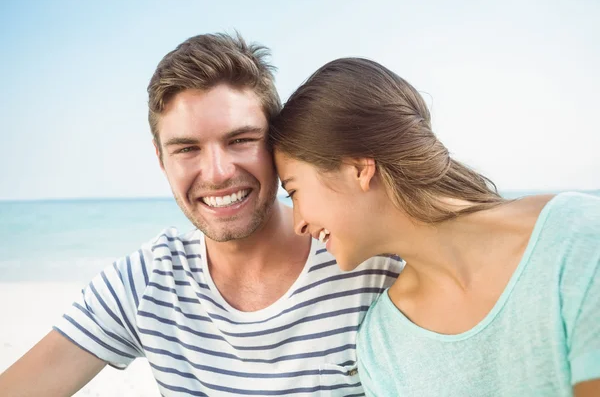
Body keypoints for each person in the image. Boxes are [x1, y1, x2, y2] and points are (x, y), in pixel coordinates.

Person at [0, 34, 402, 396]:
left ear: (277, 144)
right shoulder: (146, 283)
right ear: (161, 160)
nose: (217, 173)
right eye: (187, 149)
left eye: (240, 140)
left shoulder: (371, 265)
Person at [270, 57, 600, 396]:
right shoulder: (382, 343)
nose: (298, 223)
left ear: (358, 168)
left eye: (294, 191)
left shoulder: (577, 237)